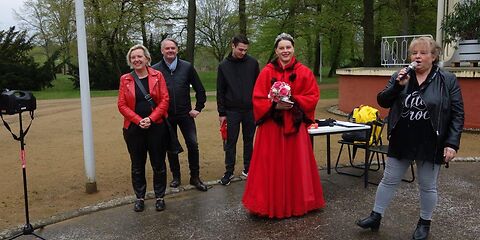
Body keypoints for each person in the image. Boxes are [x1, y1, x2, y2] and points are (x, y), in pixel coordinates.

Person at [356, 37, 464, 240]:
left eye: (423, 52)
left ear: (433, 56)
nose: (417, 56)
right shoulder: (401, 75)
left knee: (427, 185)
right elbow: (382, 100)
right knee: (388, 180)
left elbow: (457, 114)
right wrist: (397, 86)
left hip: (431, 141)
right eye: (414, 53)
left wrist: (452, 143)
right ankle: (375, 216)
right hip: (402, 138)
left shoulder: (447, 79)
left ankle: (424, 223)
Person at [242, 33, 326, 218]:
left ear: (293, 48)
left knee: (297, 165)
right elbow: (257, 98)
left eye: (288, 47)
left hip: (295, 129)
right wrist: (274, 105)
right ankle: (268, 204)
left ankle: (298, 203)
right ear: (276, 50)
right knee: (269, 165)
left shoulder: (304, 72)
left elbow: (313, 96)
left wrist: (293, 101)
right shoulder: (266, 72)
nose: (285, 51)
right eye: (281, 48)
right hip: (272, 128)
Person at [118, 44, 170, 212]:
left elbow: (164, 100)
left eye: (139, 56)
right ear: (130, 61)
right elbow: (121, 105)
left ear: (147, 59)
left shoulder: (158, 75)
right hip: (134, 129)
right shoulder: (125, 79)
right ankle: (140, 197)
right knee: (137, 164)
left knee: (158, 163)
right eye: (133, 57)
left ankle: (160, 196)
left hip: (156, 127)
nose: (136, 59)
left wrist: (151, 118)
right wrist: (138, 120)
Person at [152, 38, 208, 192]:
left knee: (193, 145)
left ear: (177, 50)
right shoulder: (155, 70)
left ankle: (195, 177)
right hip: (166, 116)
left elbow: (200, 89)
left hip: (185, 114)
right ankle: (176, 177)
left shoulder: (187, 67)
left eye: (173, 48)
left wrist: (198, 108)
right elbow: (152, 94)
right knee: (171, 147)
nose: (170, 51)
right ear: (162, 50)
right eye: (167, 48)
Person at [216, 34, 259, 185]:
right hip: (231, 111)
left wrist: (258, 108)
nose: (243, 53)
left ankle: (249, 168)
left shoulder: (253, 63)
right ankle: (228, 172)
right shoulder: (223, 66)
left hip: (250, 110)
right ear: (232, 46)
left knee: (249, 140)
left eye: (246, 50)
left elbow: (258, 87)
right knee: (230, 142)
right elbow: (220, 91)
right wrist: (222, 113)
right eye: (240, 49)